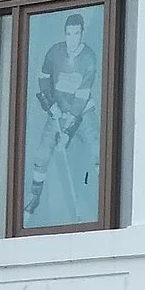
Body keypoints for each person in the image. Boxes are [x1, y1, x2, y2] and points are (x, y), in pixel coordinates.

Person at [25, 12, 97, 221]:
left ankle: (102, 203)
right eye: (68, 34)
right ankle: (34, 198)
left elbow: (82, 97)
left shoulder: (89, 58)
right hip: (58, 111)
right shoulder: (54, 53)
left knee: (97, 151)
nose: (72, 38)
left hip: (81, 113)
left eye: (76, 34)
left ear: (82, 34)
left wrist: (68, 131)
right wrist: (51, 106)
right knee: (41, 155)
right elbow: (44, 79)